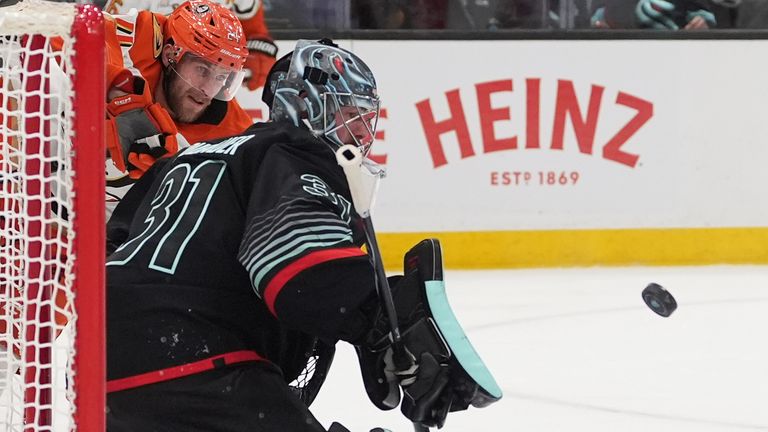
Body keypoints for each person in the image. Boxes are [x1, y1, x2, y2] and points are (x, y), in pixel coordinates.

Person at [105, 39, 500, 431]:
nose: (363, 133)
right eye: (350, 114)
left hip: (100, 363)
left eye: (367, 117)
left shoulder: (185, 158)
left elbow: (105, 251)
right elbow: (300, 266)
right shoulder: (294, 152)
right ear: (306, 106)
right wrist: (379, 322)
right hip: (193, 357)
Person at [104, 0, 254, 217]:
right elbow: (67, 34)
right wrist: (121, 94)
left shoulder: (233, 130)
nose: (208, 90)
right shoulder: (142, 37)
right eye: (202, 69)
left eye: (221, 77)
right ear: (170, 55)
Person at [97, 0, 277, 92]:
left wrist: (258, 49)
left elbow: (249, 22)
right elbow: (111, 41)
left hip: (212, 86)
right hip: (156, 86)